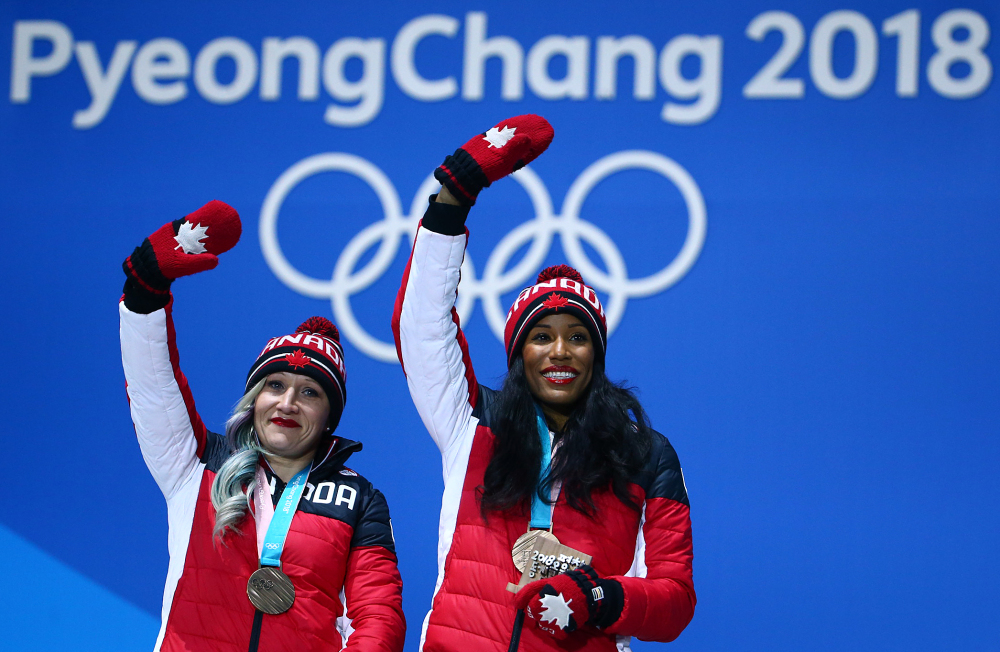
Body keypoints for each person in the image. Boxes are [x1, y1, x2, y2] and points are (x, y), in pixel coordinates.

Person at [392, 116, 695, 652]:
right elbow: (422, 328)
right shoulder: (470, 424)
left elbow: (673, 600)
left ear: (596, 356)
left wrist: (601, 599)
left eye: (578, 337)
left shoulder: (645, 454)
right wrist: (452, 201)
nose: (560, 351)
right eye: (541, 337)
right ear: (517, 354)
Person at [119, 201, 405, 652]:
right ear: (254, 399)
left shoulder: (360, 499)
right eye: (275, 385)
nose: (287, 403)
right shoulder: (197, 464)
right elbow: (153, 387)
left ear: (330, 415)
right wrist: (144, 296)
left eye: (310, 392)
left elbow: (377, 615)